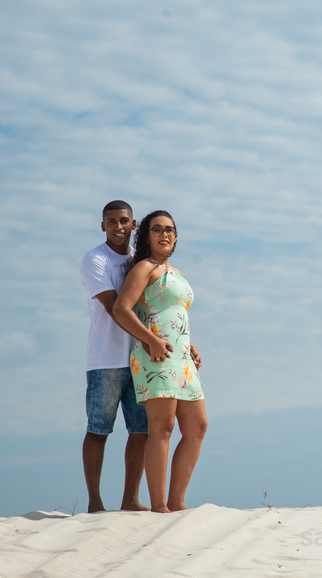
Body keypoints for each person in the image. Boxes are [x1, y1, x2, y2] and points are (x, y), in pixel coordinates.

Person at [80, 201, 199, 513]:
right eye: (111, 222)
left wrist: (187, 344)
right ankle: (96, 503)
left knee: (145, 429)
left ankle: (133, 499)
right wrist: (149, 339)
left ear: (133, 226)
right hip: (110, 355)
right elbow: (116, 307)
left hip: (153, 354)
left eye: (124, 221)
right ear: (103, 226)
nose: (118, 227)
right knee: (99, 428)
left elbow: (162, 308)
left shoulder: (144, 260)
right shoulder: (98, 259)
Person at [112, 210, 208, 513]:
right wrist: (151, 340)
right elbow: (122, 309)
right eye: (157, 229)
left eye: (169, 230)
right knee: (163, 427)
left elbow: (172, 311)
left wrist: (191, 345)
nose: (164, 234)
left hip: (182, 357)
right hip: (155, 354)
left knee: (197, 427)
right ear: (146, 236)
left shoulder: (175, 272)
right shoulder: (144, 267)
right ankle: (160, 506)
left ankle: (178, 502)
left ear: (176, 237)